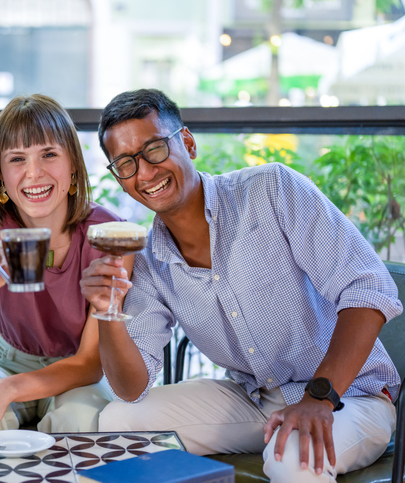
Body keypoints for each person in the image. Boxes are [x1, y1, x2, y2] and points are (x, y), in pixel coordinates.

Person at [80, 88, 402, 482]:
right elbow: (132, 388)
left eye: (154, 150)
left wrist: (318, 397)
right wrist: (107, 309)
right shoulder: (147, 260)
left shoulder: (272, 190)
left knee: (295, 457)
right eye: (126, 164)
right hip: (255, 401)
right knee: (118, 420)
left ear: (188, 142)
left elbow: (367, 289)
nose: (144, 173)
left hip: (349, 396)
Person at [0, 94, 130, 435]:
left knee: (81, 425)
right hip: (0, 358)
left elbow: (88, 364)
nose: (33, 173)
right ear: (1, 173)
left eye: (49, 154)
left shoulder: (109, 237)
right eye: (17, 159)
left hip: (76, 367)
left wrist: (6, 390)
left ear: (73, 164)